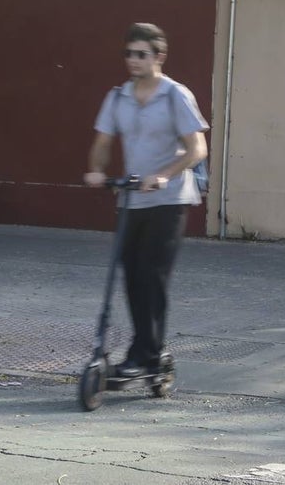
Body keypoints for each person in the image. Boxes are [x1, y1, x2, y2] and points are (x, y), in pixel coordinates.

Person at [84, 22, 209, 378]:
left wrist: (164, 175)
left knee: (152, 275)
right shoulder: (117, 97)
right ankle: (146, 350)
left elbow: (197, 148)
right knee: (132, 277)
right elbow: (103, 143)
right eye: (128, 54)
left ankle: (145, 355)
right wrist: (96, 170)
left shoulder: (175, 95)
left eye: (141, 54)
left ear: (159, 56)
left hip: (168, 200)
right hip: (132, 199)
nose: (133, 60)